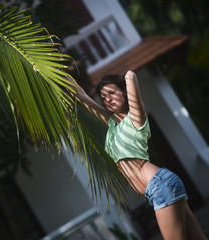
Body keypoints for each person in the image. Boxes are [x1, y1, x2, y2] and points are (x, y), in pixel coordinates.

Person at [67, 70, 207, 240]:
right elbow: (82, 96)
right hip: (160, 186)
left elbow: (131, 76)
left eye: (112, 93)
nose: (107, 99)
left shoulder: (135, 117)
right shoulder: (112, 125)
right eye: (103, 97)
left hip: (160, 185)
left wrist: (128, 76)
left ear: (125, 92)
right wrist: (56, 74)